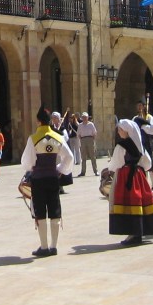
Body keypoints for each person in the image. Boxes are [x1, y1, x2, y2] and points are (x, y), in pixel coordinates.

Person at [21, 105, 74, 256]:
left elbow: (27, 162)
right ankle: (54, 246)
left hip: (38, 179)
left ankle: (44, 247)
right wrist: (59, 169)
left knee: (40, 211)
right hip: (53, 178)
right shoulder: (58, 137)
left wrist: (32, 168)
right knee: (54, 209)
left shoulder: (33, 138)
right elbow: (69, 157)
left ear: (38, 121)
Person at [103, 118, 153, 245]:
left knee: (129, 203)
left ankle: (133, 234)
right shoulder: (140, 146)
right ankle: (139, 232)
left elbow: (115, 164)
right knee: (139, 202)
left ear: (126, 131)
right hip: (139, 176)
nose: (118, 132)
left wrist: (109, 167)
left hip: (126, 176)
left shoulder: (121, 146)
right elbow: (148, 164)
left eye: (120, 129)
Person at [133, 100, 153, 192]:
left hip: (147, 144)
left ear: (144, 106)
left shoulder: (149, 117)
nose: (139, 107)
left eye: (141, 105)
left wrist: (144, 126)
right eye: (138, 105)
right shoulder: (135, 118)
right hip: (139, 145)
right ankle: (145, 186)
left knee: (150, 164)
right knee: (141, 165)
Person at [77, 112, 98, 176]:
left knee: (92, 156)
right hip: (83, 139)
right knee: (83, 157)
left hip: (90, 139)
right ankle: (83, 172)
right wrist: (81, 140)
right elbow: (78, 134)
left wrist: (92, 140)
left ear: (88, 117)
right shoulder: (80, 125)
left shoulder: (91, 124)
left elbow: (94, 133)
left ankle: (95, 171)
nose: (84, 118)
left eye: (85, 117)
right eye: (83, 117)